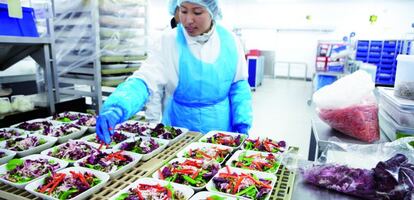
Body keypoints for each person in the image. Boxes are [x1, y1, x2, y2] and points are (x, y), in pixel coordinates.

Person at [96, 0, 253, 144]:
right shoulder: (168, 40)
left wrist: (242, 123)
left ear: (212, 12)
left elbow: (238, 86)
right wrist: (117, 107)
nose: (188, 20)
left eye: (197, 12)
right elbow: (145, 80)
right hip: (178, 126)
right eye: (183, 11)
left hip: (219, 126)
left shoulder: (230, 41)